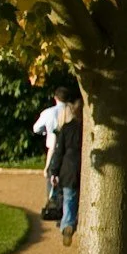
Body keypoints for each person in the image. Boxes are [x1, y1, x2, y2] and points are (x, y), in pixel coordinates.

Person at [34, 88, 72, 220]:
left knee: (52, 178)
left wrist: (46, 132)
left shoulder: (48, 112)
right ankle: (64, 209)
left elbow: (36, 128)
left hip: (53, 147)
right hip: (70, 150)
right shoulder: (72, 112)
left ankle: (54, 207)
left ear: (55, 98)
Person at [50, 94, 82, 245]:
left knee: (69, 198)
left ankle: (67, 224)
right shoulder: (88, 129)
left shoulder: (67, 128)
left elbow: (59, 151)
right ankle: (79, 223)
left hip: (68, 166)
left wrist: (54, 171)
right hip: (84, 166)